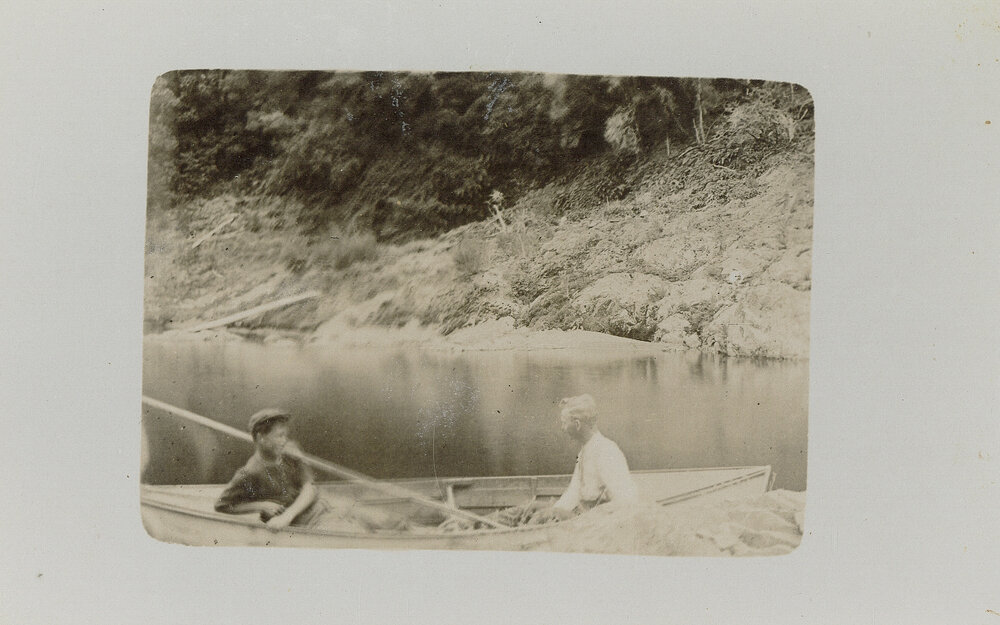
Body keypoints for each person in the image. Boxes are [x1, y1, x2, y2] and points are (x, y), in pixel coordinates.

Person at [215, 408, 407, 532]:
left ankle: (433, 534)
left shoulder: (291, 450)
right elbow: (222, 505)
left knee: (388, 520)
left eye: (285, 435)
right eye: (279, 436)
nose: (284, 440)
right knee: (357, 533)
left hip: (324, 505)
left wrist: (287, 514)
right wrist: (260, 505)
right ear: (260, 438)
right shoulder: (250, 472)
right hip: (307, 523)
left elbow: (310, 487)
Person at [527, 394, 638, 524]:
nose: (563, 428)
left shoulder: (606, 452)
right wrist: (553, 509)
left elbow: (627, 501)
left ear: (577, 424)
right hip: (581, 514)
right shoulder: (585, 451)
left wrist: (554, 513)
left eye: (564, 423)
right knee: (529, 508)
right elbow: (573, 492)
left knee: (545, 514)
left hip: (594, 522)